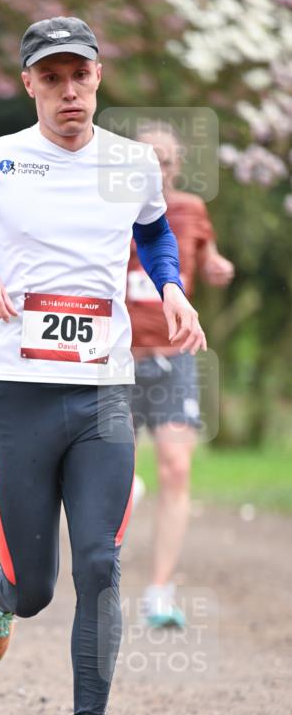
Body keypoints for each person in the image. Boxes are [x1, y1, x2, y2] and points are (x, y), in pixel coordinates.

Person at [0, 17, 206, 715]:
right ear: (29, 85)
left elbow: (154, 239)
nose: (68, 90)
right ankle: (4, 590)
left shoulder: (132, 164)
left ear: (98, 78)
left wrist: (172, 288)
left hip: (100, 393)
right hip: (12, 391)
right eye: (52, 77)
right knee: (38, 584)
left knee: (103, 564)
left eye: (79, 75)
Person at [126, 121, 234, 628]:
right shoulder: (107, 210)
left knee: (176, 467)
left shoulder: (190, 210)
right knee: (112, 479)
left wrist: (215, 265)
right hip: (116, 359)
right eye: (146, 159)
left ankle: (160, 591)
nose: (157, 169)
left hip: (175, 357)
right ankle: (99, 581)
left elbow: (206, 252)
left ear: (177, 167)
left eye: (165, 161)